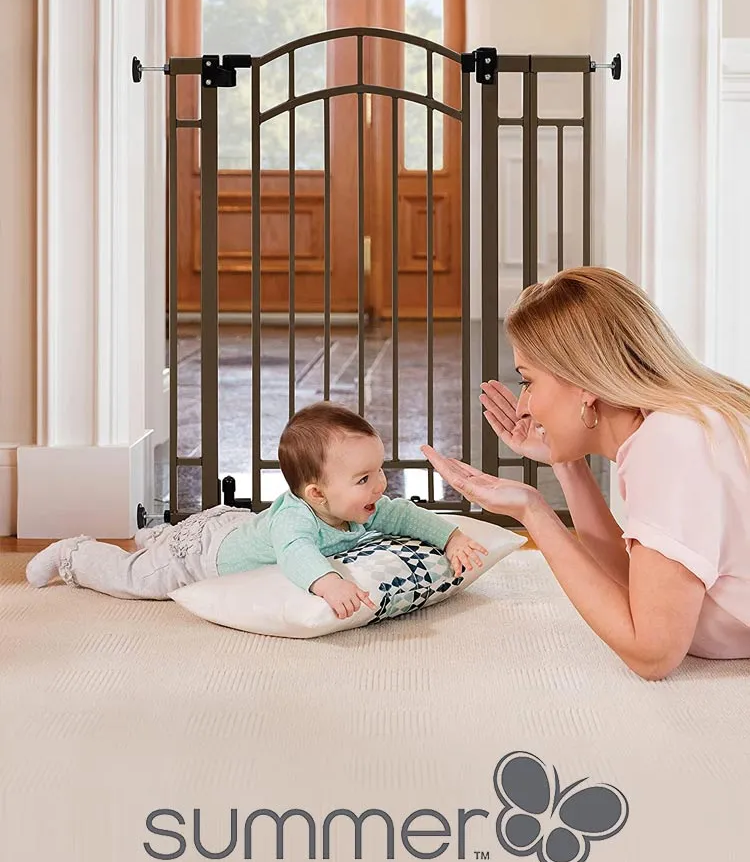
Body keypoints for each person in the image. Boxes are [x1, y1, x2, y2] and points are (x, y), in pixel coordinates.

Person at [422, 266, 750, 681]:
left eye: (528, 382)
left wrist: (533, 513)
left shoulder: (670, 444)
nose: (523, 406)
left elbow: (653, 653)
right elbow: (637, 583)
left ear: (584, 384)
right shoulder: (677, 424)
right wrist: (565, 463)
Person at [26, 402, 486, 620]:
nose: (380, 485)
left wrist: (452, 538)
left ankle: (158, 537)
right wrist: (329, 583)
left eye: (379, 470)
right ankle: (75, 555)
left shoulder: (360, 506)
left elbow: (404, 515)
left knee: (173, 542)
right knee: (137, 579)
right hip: (201, 555)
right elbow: (296, 554)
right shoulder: (295, 521)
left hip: (235, 526)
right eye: (364, 478)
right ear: (316, 493)